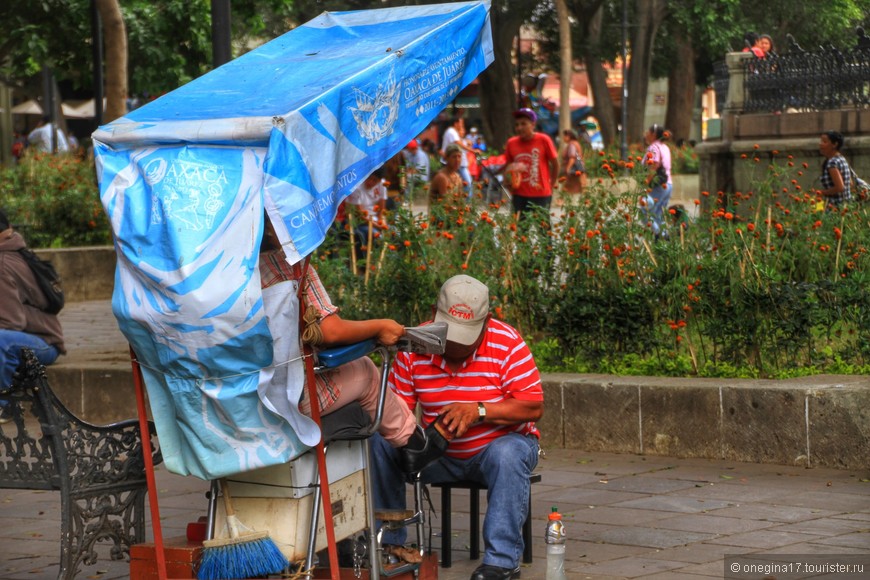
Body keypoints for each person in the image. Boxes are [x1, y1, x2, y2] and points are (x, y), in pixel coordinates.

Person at [372, 274, 544, 580]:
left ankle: (501, 562)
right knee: (379, 440)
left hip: (496, 450)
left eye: (466, 337)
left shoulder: (507, 343)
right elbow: (394, 411)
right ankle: (390, 546)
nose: (454, 346)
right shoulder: (416, 345)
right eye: (449, 334)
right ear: (434, 315)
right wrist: (415, 438)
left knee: (509, 452)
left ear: (487, 321)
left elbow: (533, 406)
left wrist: (480, 410)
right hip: (438, 454)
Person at [258, 216, 430, 454]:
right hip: (289, 399)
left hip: (233, 400)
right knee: (367, 371)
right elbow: (330, 331)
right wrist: (379, 327)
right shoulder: (290, 266)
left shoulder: (216, 275)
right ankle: (413, 445)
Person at [0, 209, 66, 423]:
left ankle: (4, 405)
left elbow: (11, 323)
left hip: (43, 343)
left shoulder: (2, 264)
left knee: (1, 341)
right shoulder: (14, 250)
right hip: (34, 337)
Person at [503, 108, 559, 219]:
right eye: (517, 125)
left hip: (541, 194)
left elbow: (555, 164)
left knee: (543, 231)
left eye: (524, 124)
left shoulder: (544, 140)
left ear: (533, 124)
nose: (519, 128)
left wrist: (551, 184)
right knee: (520, 231)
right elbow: (508, 166)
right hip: (519, 195)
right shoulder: (511, 143)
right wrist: (508, 181)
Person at [345, 169, 389, 259]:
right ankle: (369, 262)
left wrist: (381, 221)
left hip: (375, 220)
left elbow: (382, 208)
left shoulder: (382, 185)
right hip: (360, 221)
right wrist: (377, 226)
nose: (370, 182)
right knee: (376, 235)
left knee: (394, 232)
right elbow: (359, 214)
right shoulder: (357, 187)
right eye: (369, 178)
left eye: (375, 181)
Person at [642, 123, 673, 240]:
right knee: (658, 213)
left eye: (647, 132)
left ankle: (659, 235)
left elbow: (653, 165)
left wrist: (646, 183)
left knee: (644, 210)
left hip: (657, 185)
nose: (645, 134)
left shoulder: (653, 147)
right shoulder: (665, 147)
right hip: (668, 184)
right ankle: (662, 238)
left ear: (653, 134)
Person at [440, 116, 473, 199]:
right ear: (456, 123)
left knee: (457, 184)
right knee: (467, 182)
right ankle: (466, 204)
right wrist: (473, 150)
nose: (462, 126)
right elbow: (457, 143)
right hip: (455, 163)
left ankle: (461, 203)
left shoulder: (455, 134)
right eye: (461, 123)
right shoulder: (451, 132)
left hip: (459, 164)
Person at [818, 130, 852, 208]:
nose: (820, 144)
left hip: (835, 207)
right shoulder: (842, 159)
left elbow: (840, 187)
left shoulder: (832, 163)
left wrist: (821, 192)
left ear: (834, 144)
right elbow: (850, 183)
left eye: (824, 142)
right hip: (847, 206)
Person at [559, 128, 586, 194]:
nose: (563, 138)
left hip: (574, 169)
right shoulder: (576, 143)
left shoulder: (572, 144)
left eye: (565, 136)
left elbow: (572, 157)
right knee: (581, 187)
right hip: (578, 169)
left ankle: (560, 201)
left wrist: (568, 168)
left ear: (569, 136)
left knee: (567, 187)